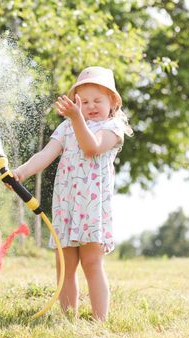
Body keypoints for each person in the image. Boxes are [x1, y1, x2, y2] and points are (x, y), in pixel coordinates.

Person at [12, 66, 132, 321]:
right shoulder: (67, 127)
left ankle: (100, 320)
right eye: (84, 101)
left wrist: (77, 118)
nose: (90, 106)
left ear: (112, 102)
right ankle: (68, 319)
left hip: (92, 209)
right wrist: (21, 173)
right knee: (64, 267)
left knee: (91, 264)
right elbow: (45, 155)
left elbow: (91, 147)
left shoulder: (113, 127)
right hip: (66, 207)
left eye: (97, 100)